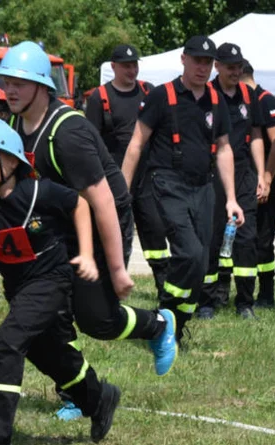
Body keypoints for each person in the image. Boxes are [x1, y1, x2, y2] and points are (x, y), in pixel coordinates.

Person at [0, 41, 178, 381]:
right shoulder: (15, 124)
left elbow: (104, 201)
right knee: (53, 310)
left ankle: (158, 325)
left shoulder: (68, 132)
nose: (10, 89)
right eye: (7, 81)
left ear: (41, 86)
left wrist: (117, 268)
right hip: (60, 224)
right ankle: (78, 391)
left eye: (18, 83)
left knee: (98, 320)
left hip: (100, 218)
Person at [0, 117, 120, 445]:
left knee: (8, 342)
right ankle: (98, 398)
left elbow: (80, 205)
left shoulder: (39, 191)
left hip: (52, 282)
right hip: (19, 290)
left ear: (11, 162)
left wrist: (87, 254)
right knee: (51, 356)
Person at [122, 36, 244, 345]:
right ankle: (166, 316)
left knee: (202, 262)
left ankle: (172, 322)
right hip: (167, 183)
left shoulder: (216, 101)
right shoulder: (162, 96)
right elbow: (136, 143)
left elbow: (225, 149)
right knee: (189, 252)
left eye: (207, 62)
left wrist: (231, 198)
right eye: (197, 60)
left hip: (204, 187)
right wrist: (122, 189)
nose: (202, 67)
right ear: (184, 59)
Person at [83, 44, 169, 293]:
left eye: (135, 65)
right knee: (117, 232)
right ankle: (112, 286)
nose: (132, 70)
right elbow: (92, 141)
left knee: (154, 230)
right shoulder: (100, 97)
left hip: (147, 176)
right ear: (114, 67)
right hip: (113, 178)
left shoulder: (147, 91)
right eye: (126, 66)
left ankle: (163, 286)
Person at [198, 43, 266, 320]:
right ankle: (207, 301)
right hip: (212, 173)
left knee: (247, 239)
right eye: (229, 67)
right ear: (218, 66)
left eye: (238, 66)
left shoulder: (249, 96)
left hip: (244, 173)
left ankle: (245, 302)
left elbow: (258, 136)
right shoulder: (205, 95)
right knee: (211, 238)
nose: (235, 71)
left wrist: (262, 174)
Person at [242, 61, 275, 308]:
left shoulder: (264, 99)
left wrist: (267, 178)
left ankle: (266, 294)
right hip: (242, 179)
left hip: (263, 180)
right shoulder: (239, 98)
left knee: (263, 239)